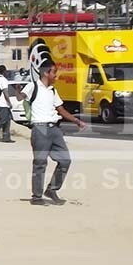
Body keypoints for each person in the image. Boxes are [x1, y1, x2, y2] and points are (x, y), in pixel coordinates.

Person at [16, 60, 86, 206]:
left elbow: (60, 109)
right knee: (40, 163)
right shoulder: (33, 86)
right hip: (39, 128)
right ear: (46, 73)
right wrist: (19, 93)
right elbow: (20, 97)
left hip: (54, 129)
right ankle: (37, 197)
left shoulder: (53, 90)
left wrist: (76, 121)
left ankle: (52, 189)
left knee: (65, 160)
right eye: (54, 72)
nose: (56, 76)